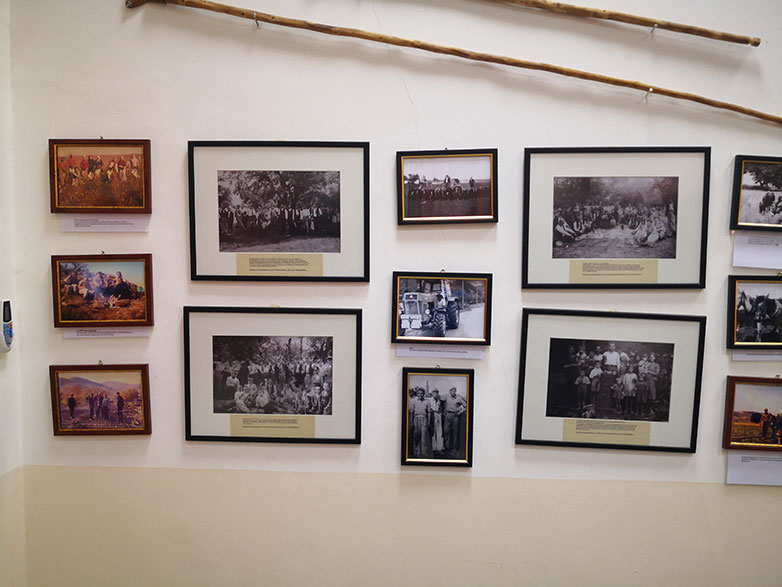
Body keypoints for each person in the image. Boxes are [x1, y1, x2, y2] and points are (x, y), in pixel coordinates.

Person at [443, 387, 466, 457]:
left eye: (454, 391)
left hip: (455, 416)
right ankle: (447, 448)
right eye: (452, 391)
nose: (453, 392)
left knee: (455, 432)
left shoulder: (458, 398)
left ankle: (454, 449)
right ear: (449, 392)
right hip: (448, 415)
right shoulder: (447, 397)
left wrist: (460, 412)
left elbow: (465, 406)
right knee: (446, 431)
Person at [409, 388, 430, 458]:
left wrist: (428, 421)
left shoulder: (427, 401)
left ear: (423, 394)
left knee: (424, 437)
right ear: (417, 394)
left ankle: (423, 453)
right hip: (416, 419)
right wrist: (411, 422)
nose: (420, 395)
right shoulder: (414, 401)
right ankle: (416, 452)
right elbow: (411, 412)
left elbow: (429, 412)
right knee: (416, 436)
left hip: (424, 419)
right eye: (419, 393)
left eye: (421, 393)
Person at [428, 389, 444, 456]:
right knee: (433, 431)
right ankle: (434, 448)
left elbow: (441, 407)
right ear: (432, 393)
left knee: (439, 431)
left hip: (439, 415)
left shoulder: (439, 400)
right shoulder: (429, 400)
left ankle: (440, 448)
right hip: (432, 415)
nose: (436, 394)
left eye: (437, 392)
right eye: (434, 392)